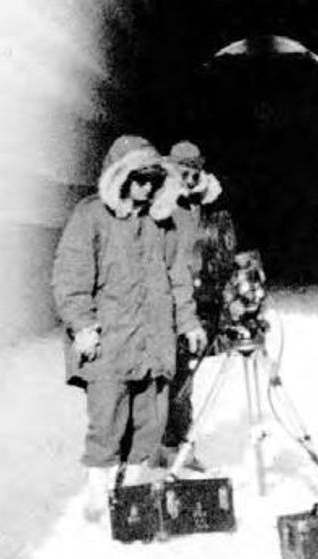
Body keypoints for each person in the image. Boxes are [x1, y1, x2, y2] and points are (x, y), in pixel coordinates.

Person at [52, 134, 207, 521]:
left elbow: (178, 278)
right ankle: (97, 496)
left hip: (155, 341)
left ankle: (134, 496)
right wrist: (82, 325)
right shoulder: (90, 216)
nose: (147, 186)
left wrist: (187, 321)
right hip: (110, 344)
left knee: (150, 424)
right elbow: (70, 278)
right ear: (120, 177)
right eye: (139, 177)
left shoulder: (164, 224)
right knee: (106, 423)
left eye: (155, 179)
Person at [153, 140, 237, 470]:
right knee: (163, 378)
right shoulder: (160, 207)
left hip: (198, 304)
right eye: (180, 172)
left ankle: (180, 446)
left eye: (193, 173)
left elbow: (222, 251)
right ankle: (159, 446)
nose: (187, 179)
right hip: (165, 303)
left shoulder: (210, 207)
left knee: (185, 379)